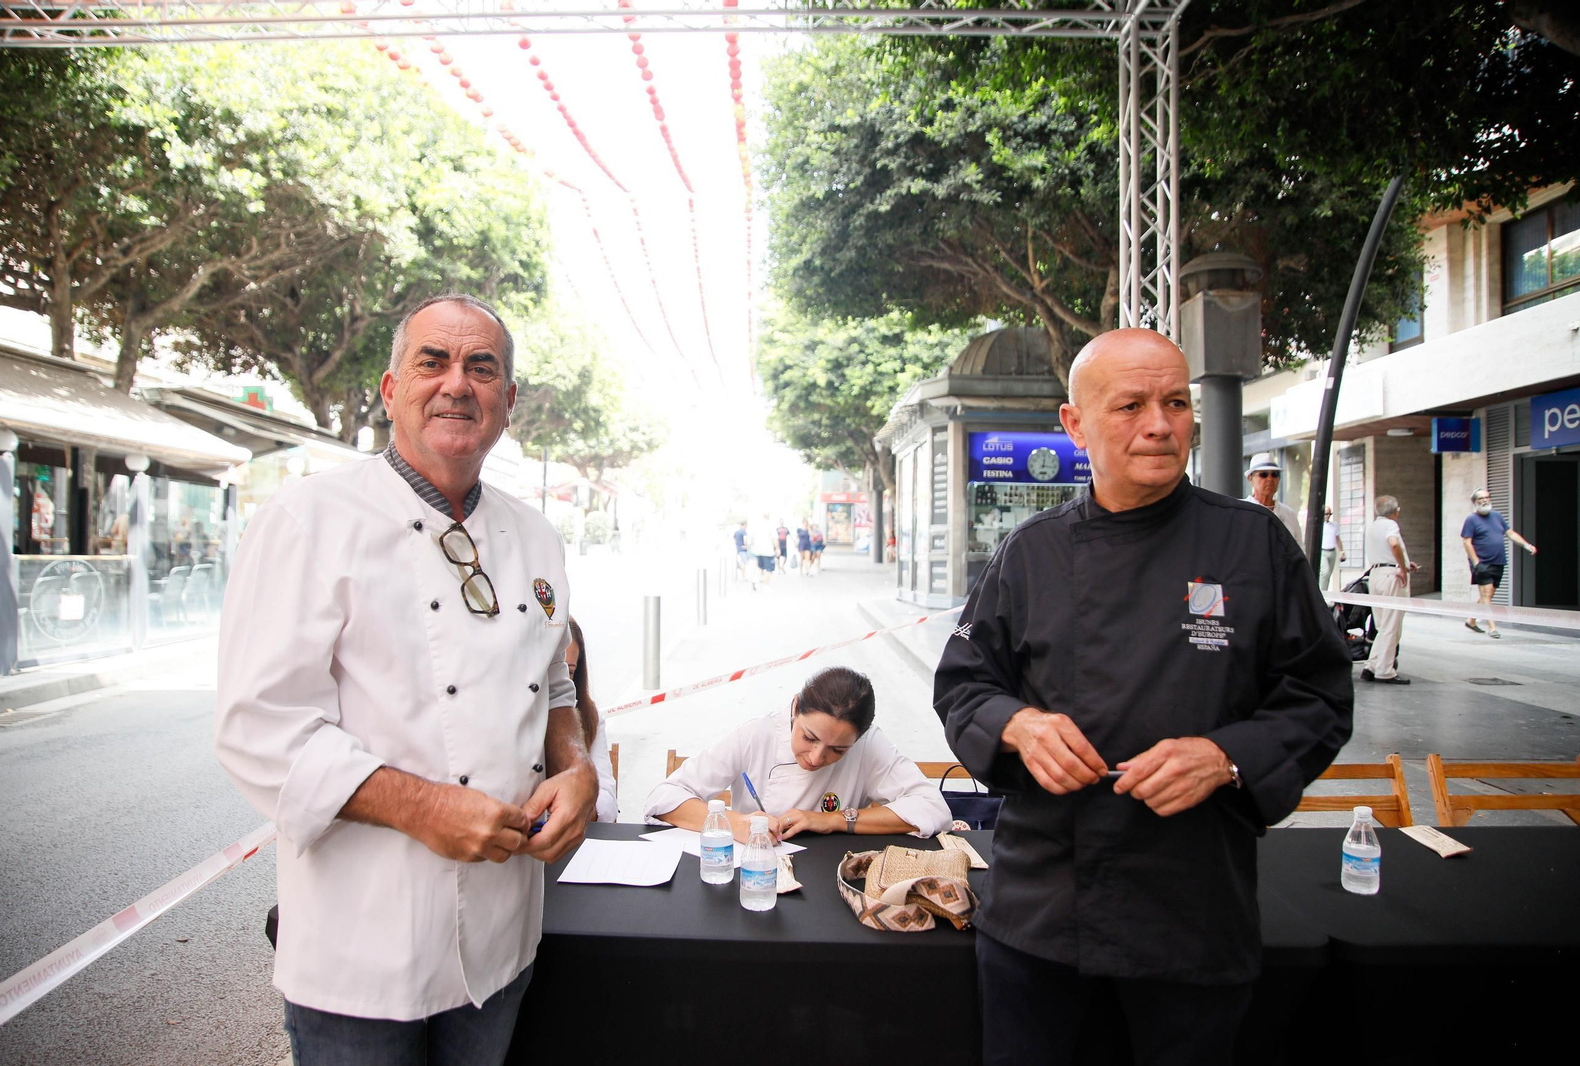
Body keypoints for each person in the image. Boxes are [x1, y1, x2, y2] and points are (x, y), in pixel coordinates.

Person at [932, 328, 1352, 1066]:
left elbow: (1319, 697)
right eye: (1130, 405)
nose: (1161, 424)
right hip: (1042, 914)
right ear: (1075, 424)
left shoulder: (1254, 547)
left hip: (1191, 914)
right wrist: (1019, 726)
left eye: (1176, 402)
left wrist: (1227, 757)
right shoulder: (1031, 553)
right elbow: (965, 684)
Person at [215, 293, 598, 1066]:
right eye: (433, 361)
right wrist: (422, 805)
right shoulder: (307, 520)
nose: (457, 383)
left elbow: (554, 684)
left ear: (508, 401)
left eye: (481, 368)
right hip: (361, 955)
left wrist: (578, 766)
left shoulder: (536, 537)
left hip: (501, 939)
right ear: (392, 390)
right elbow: (259, 729)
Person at [644, 666, 952, 841]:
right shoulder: (756, 735)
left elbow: (933, 809)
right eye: (809, 737)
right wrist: (734, 822)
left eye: (838, 750)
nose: (817, 758)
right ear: (794, 708)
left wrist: (834, 820)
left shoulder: (869, 744)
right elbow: (664, 797)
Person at [1361, 494, 1421, 684]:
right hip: (1391, 577)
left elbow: (1386, 551)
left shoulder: (1372, 527)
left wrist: (1403, 563)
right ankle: (1385, 671)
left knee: (1382, 626)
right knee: (1392, 626)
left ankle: (1371, 666)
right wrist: (1402, 569)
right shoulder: (1390, 525)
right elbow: (1393, 544)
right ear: (1396, 511)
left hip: (1376, 575)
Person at [1461, 489, 1537, 639]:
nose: (1485, 500)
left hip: (1498, 562)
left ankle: (1471, 620)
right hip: (1481, 563)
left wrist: (1526, 545)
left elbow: (1510, 533)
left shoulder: (1497, 516)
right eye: (1481, 498)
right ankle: (1492, 627)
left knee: (1487, 595)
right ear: (1475, 502)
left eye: (1487, 497)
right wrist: (1476, 562)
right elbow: (1466, 542)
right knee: (1486, 594)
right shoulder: (1471, 519)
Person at [567, 617, 618, 822]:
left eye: (568, 672)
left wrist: (575, 811)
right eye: (552, 670)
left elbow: (607, 803)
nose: (559, 683)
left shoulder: (589, 717)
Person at [1243, 452, 1303, 545]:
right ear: (1250, 478)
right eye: (1263, 474)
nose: (1270, 479)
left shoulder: (1289, 514)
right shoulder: (1241, 511)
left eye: (1275, 474)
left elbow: (1300, 550)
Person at [1320, 506, 1346, 590]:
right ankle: (1321, 592)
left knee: (1328, 574)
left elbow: (1337, 539)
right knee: (1325, 572)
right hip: (1323, 552)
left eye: (1329, 514)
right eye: (1326, 514)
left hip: (1332, 551)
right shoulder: (1320, 525)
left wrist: (1342, 552)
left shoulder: (1334, 525)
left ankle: (1325, 593)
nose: (1328, 516)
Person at [746, 518, 777, 588]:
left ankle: (755, 579)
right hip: (768, 551)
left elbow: (750, 540)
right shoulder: (771, 526)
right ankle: (765, 585)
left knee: (760, 567)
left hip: (757, 551)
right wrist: (777, 548)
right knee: (768, 569)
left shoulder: (755, 527)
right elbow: (775, 539)